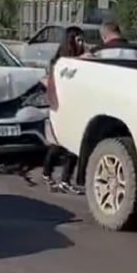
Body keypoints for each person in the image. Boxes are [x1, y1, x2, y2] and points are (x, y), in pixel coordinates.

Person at [41, 26, 84, 193]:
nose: (82, 43)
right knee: (58, 144)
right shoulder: (61, 62)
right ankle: (47, 173)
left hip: (76, 107)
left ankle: (65, 179)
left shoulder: (80, 59)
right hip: (61, 107)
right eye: (79, 40)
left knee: (73, 145)